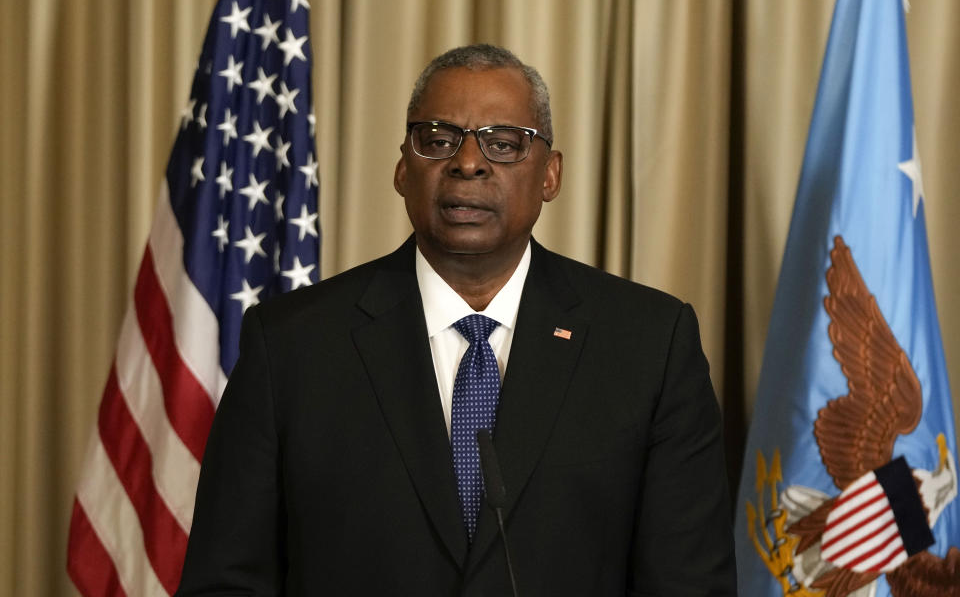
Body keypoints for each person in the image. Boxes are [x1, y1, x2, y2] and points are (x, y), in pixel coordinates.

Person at [176, 44, 737, 596]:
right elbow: (226, 581)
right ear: (402, 168)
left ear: (550, 174)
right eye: (438, 140)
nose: (468, 162)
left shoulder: (649, 345)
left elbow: (689, 584)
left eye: (503, 144)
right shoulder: (291, 344)